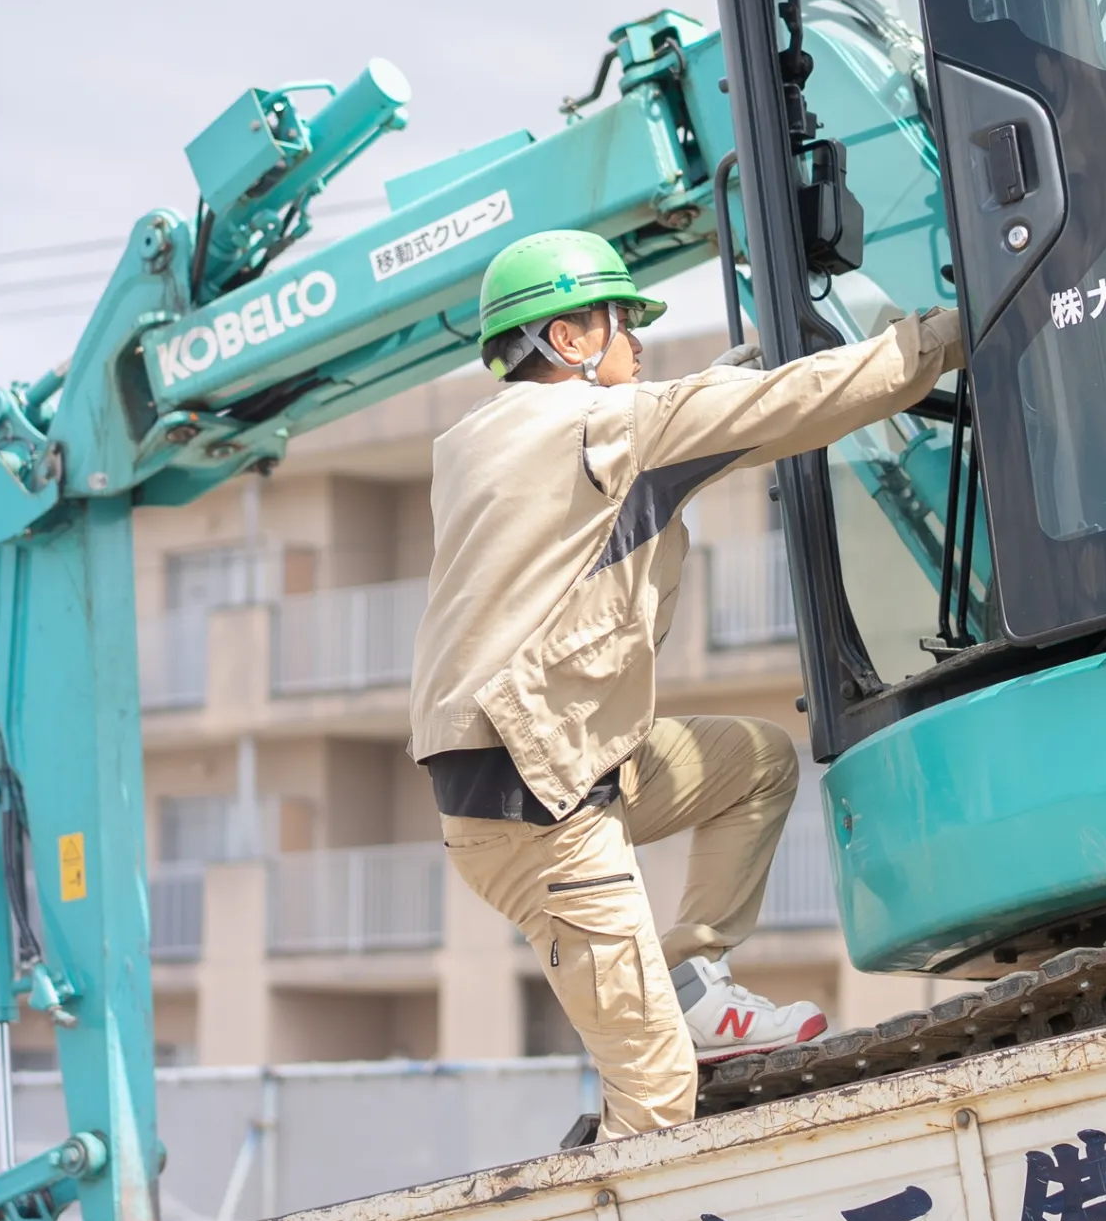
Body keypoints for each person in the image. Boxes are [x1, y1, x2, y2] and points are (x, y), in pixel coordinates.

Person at [408, 229, 962, 1140]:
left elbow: (640, 451)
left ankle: (689, 978)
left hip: (548, 762)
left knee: (758, 764)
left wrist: (706, 395)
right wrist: (947, 334)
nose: (639, 343)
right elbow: (804, 400)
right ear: (568, 339)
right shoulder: (605, 431)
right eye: (623, 323)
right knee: (657, 1097)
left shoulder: (488, 440)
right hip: (543, 806)